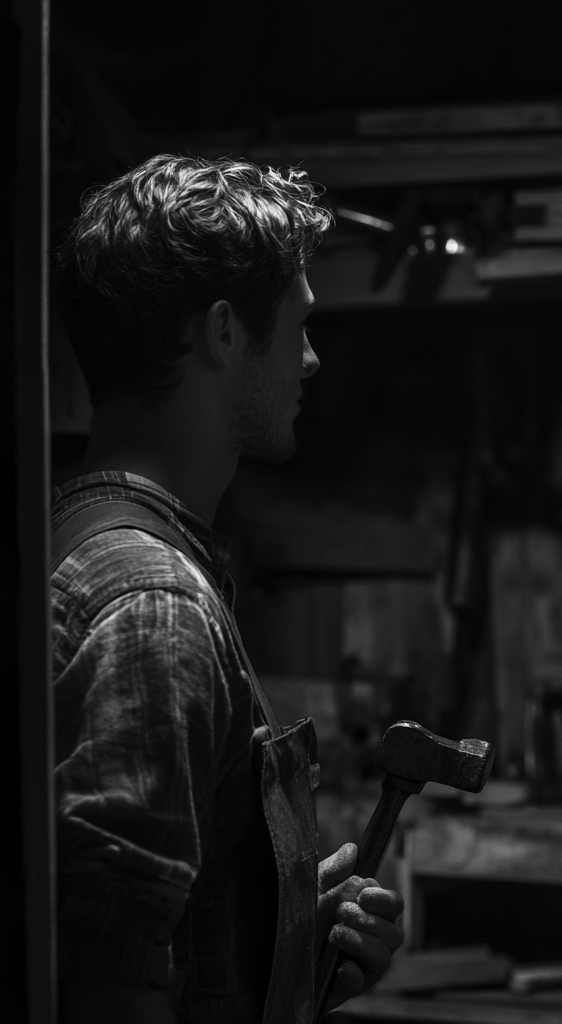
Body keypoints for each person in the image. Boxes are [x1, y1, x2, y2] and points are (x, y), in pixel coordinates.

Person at [51, 154, 403, 1023]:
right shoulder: (152, 603)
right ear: (222, 333)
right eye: (298, 327)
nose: (313, 360)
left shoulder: (81, 543)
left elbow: (163, 937)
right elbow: (112, 987)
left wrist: (276, 937)